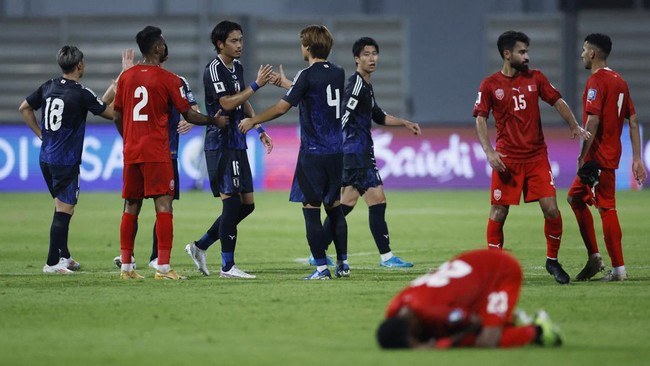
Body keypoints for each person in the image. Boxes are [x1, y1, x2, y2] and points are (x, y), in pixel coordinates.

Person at [473, 30, 590, 285]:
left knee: (551, 210)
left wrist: (573, 125)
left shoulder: (536, 78)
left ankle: (552, 260)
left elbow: (557, 101)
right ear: (507, 54)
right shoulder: (490, 84)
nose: (527, 56)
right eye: (521, 52)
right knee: (498, 212)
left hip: (537, 157)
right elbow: (481, 117)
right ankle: (495, 266)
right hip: (508, 160)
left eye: (527, 52)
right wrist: (489, 151)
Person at [113, 25, 226, 280]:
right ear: (157, 48)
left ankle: (127, 267)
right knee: (164, 205)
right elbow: (188, 114)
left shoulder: (126, 77)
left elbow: (117, 114)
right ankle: (163, 267)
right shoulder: (169, 79)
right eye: (163, 43)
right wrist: (214, 121)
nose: (165, 47)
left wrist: (128, 137)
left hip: (132, 151)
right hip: (157, 151)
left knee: (131, 206)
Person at [239, 24, 349, 280]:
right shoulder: (338, 73)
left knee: (310, 209)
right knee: (334, 208)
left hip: (313, 153)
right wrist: (289, 84)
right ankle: (343, 264)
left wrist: (253, 121)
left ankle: (321, 268)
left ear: (308, 47)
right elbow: (316, 95)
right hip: (336, 152)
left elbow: (281, 108)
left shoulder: (306, 75)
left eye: (302, 44)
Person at [319, 36, 421, 268]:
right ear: (357, 59)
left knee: (347, 204)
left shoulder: (365, 85)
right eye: (366, 54)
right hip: (355, 152)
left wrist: (404, 122)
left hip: (358, 151)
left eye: (374, 53)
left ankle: (320, 250)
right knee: (375, 201)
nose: (371, 58)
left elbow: (378, 115)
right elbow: (344, 114)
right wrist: (333, 142)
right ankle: (385, 257)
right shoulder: (355, 84)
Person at [184, 20, 273, 279]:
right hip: (220, 142)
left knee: (247, 205)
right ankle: (227, 267)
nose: (239, 45)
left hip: (238, 140)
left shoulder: (238, 67)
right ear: (220, 44)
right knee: (232, 203)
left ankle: (200, 246)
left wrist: (259, 128)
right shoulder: (214, 69)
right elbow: (226, 101)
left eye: (241, 40)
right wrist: (255, 85)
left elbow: (243, 100)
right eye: (234, 41)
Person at [19, 45, 118, 274]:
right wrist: (118, 90)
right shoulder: (80, 92)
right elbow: (111, 113)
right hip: (65, 161)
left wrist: (41, 134)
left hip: (46, 157)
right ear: (80, 65)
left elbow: (24, 108)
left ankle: (64, 255)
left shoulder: (48, 86)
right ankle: (53, 262)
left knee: (62, 208)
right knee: (64, 210)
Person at [112, 49, 203, 271]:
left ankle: (154, 257)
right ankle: (132, 257)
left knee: (156, 204)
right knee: (148, 204)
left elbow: (193, 108)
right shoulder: (134, 78)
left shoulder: (175, 80)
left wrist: (191, 121)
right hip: (157, 151)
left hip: (166, 151)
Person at [567, 33, 648, 282]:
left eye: (584, 50)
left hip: (598, 158)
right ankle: (595, 257)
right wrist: (636, 158)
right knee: (575, 198)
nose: (581, 54)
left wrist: (582, 155)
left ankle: (619, 270)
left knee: (607, 208)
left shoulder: (596, 82)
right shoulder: (620, 81)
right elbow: (633, 120)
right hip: (611, 156)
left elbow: (593, 120)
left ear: (592, 53)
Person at [376, 249, 562, 349]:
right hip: (470, 271)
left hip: (499, 271)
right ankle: (509, 320)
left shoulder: (435, 311)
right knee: (437, 333)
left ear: (411, 329)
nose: (416, 344)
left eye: (413, 339)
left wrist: (442, 345)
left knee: (486, 341)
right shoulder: (394, 308)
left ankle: (538, 330)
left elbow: (475, 322)